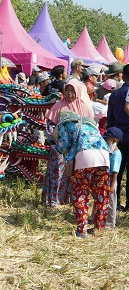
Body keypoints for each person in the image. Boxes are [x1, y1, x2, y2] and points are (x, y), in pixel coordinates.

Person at [53, 110, 110, 237]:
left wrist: (53, 145)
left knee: (80, 193)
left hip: (85, 156)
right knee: (101, 193)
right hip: (104, 155)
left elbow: (63, 145)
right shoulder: (87, 123)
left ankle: (82, 229)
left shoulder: (65, 125)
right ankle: (99, 227)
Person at [43, 80, 94, 209]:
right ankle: (54, 200)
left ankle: (69, 199)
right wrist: (57, 143)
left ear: (77, 92)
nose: (70, 94)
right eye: (67, 91)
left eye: (72, 91)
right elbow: (49, 126)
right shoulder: (58, 106)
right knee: (58, 173)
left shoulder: (84, 107)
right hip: (59, 149)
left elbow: (90, 127)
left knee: (74, 174)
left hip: (77, 148)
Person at [107, 64, 129, 210]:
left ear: (122, 75)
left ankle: (113, 204)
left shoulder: (114, 95)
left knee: (116, 171)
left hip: (117, 138)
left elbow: (110, 119)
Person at [103, 127, 123, 229]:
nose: (106, 141)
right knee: (103, 199)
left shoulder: (116, 154)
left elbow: (115, 172)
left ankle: (110, 223)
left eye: (108, 139)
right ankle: (99, 218)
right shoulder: (109, 152)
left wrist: (112, 185)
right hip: (105, 178)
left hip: (111, 179)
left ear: (114, 140)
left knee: (111, 201)